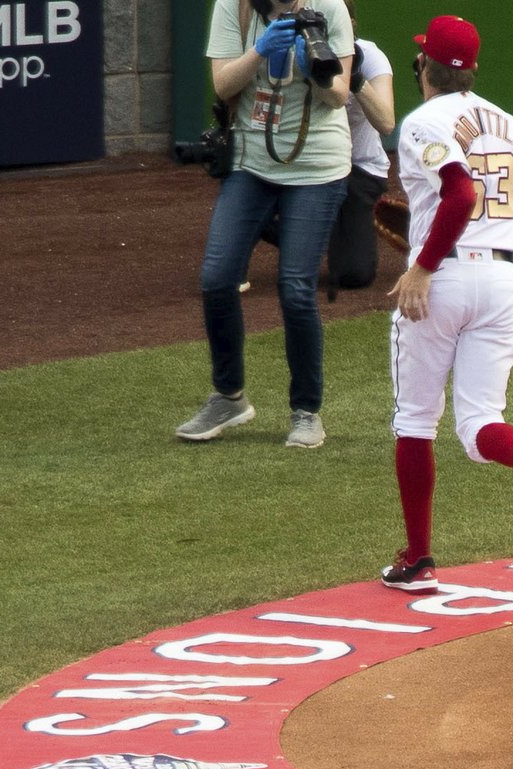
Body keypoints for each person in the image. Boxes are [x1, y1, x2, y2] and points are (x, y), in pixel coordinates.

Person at [377, 13, 513, 591]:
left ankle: (417, 560)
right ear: (473, 69)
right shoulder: (510, 124)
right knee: (480, 423)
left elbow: (459, 194)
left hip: (445, 281)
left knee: (415, 421)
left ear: (422, 66)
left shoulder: (422, 121)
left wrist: (423, 265)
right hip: (505, 283)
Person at [179, 0, 358, 449]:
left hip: (317, 166)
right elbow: (222, 85)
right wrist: (260, 51)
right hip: (251, 165)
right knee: (217, 278)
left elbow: (339, 95)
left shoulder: (328, 7)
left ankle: (306, 411)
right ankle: (228, 397)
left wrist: (308, 60)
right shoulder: (234, 6)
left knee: (296, 289)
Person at [324, 30, 400, 298]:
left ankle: (336, 225)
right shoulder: (297, 55)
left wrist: (355, 79)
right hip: (311, 169)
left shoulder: (370, 57)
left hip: (359, 169)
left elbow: (387, 123)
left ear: (350, 24)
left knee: (354, 275)